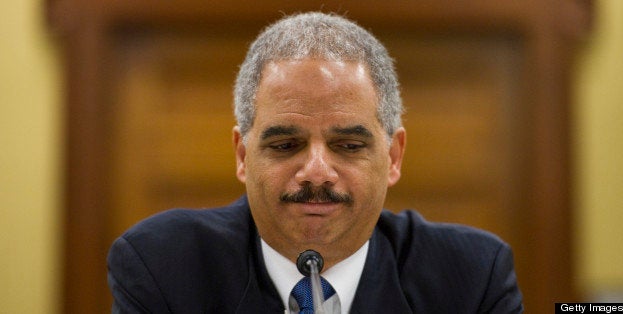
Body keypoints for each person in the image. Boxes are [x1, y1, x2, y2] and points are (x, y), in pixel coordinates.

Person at [107, 12, 523, 313]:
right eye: (287, 145)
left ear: (393, 157)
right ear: (242, 155)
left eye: (348, 145)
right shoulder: (163, 265)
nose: (317, 172)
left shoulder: (471, 277)